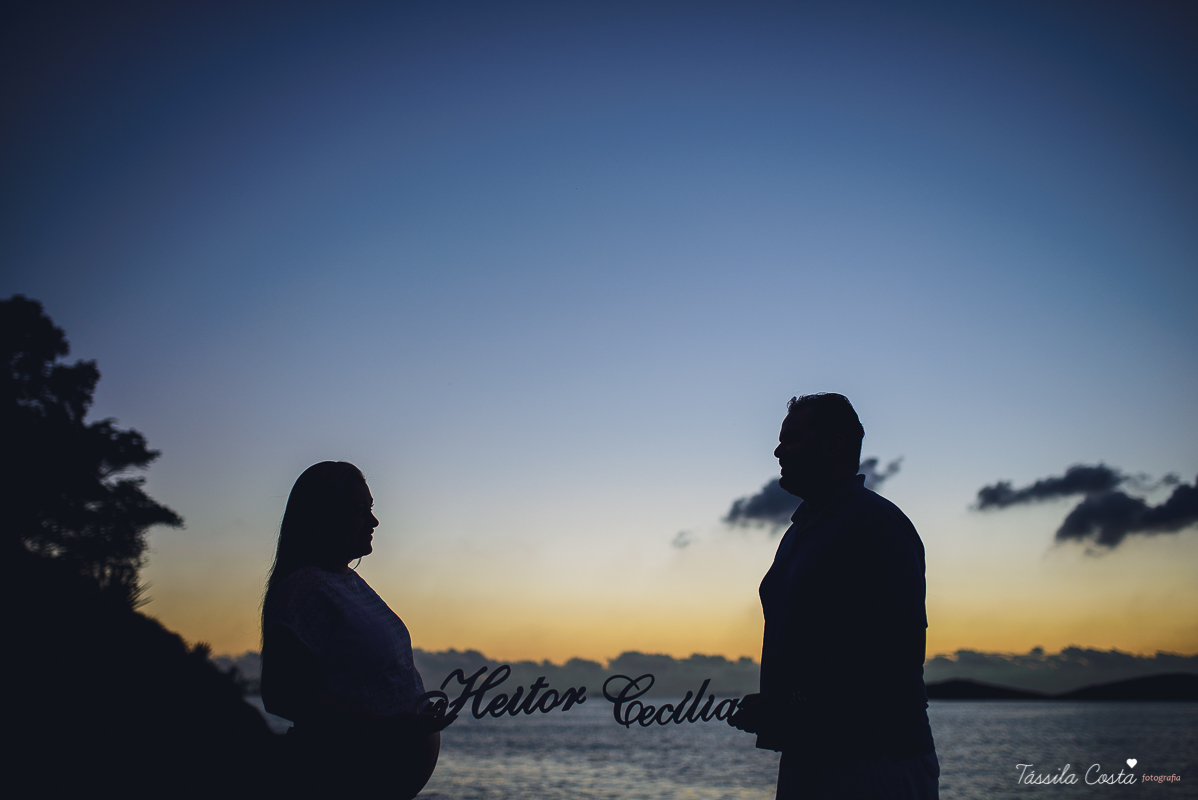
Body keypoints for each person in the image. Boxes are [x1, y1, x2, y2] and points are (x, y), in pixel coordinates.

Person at [729, 394, 938, 799]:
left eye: (792, 439)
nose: (778, 451)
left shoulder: (875, 523)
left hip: (878, 763)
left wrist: (793, 704)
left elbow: (902, 653)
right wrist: (786, 707)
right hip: (810, 758)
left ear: (833, 445)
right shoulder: (798, 531)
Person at [261, 461, 453, 799]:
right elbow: (283, 693)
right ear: (324, 517)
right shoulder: (305, 589)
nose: (374, 521)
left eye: (371, 509)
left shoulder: (347, 582)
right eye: (359, 510)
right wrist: (385, 729)